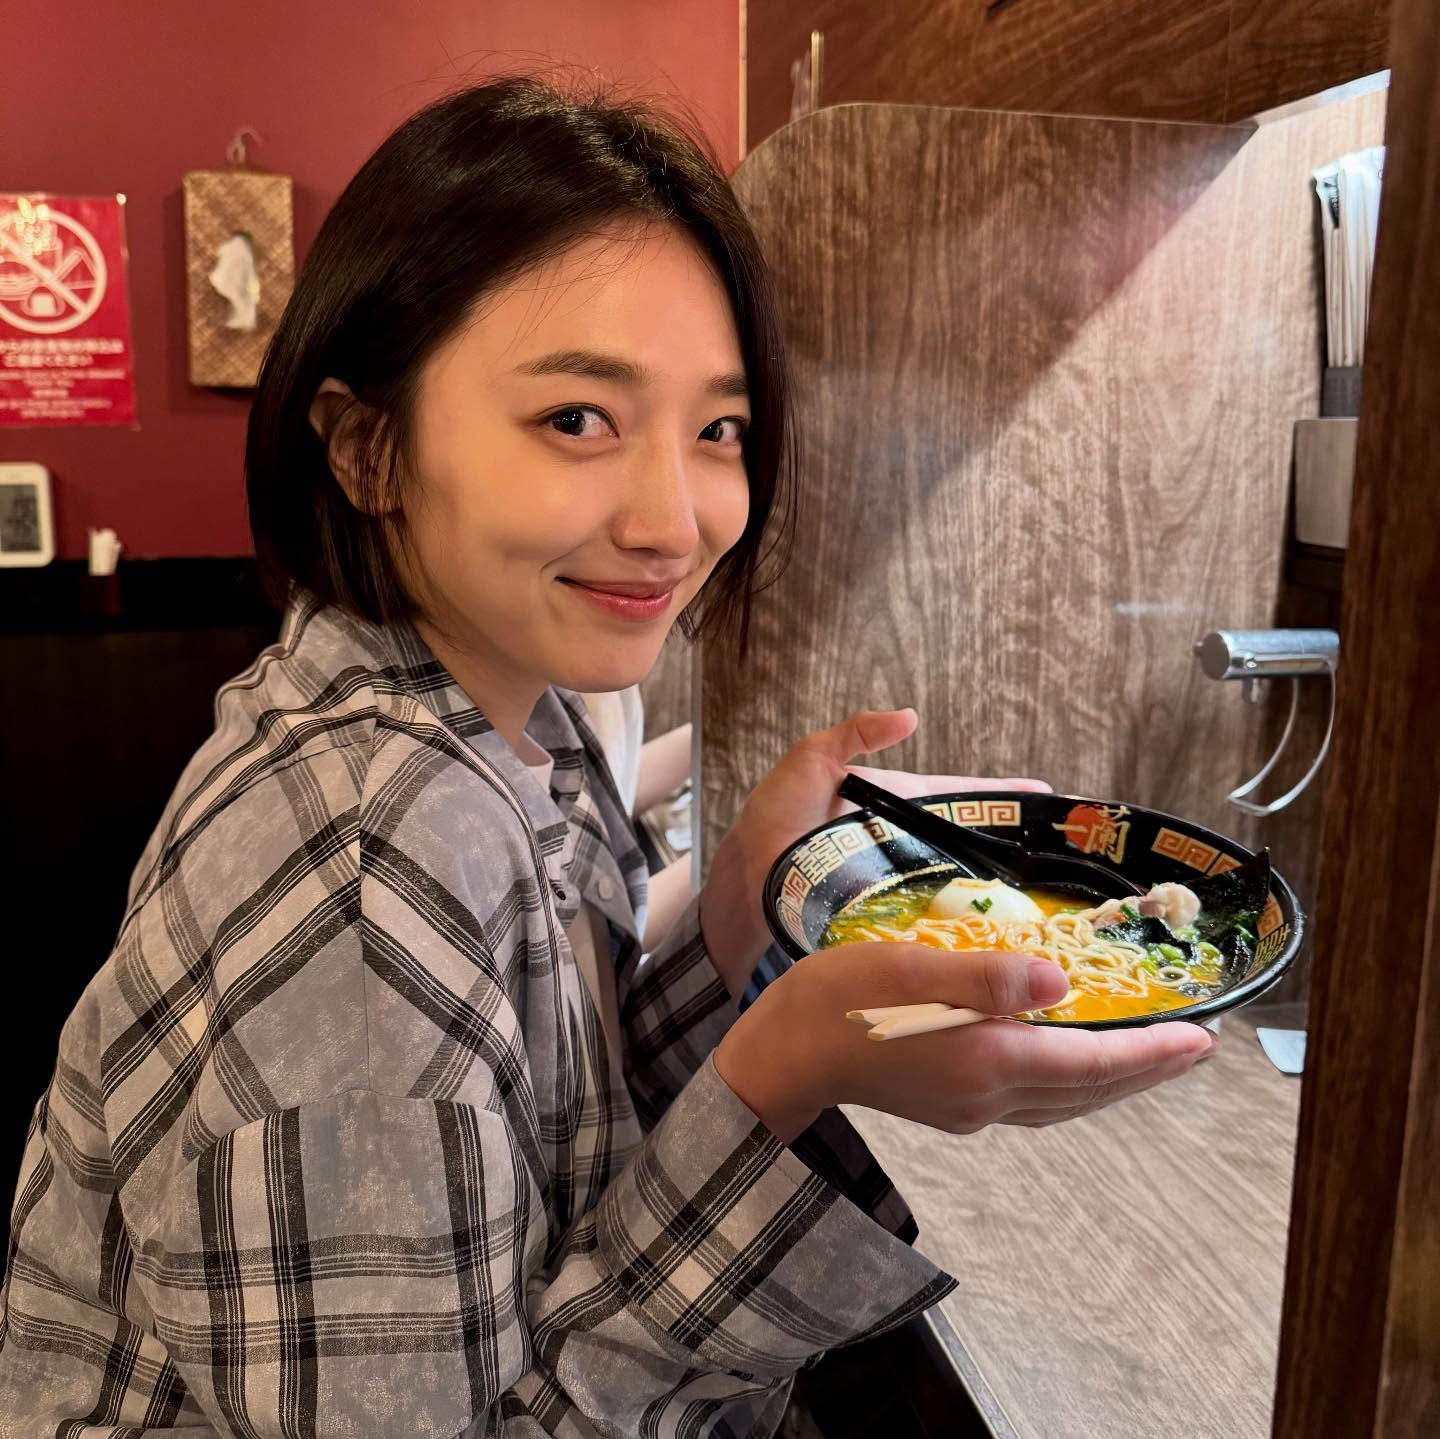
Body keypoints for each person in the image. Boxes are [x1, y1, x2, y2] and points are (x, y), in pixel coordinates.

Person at [0, 78, 1213, 1436]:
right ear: (366, 449)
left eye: (718, 430)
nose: (674, 521)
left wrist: (741, 898)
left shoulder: (502, 717)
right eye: (578, 418)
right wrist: (778, 1076)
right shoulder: (371, 855)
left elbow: (540, 1136)